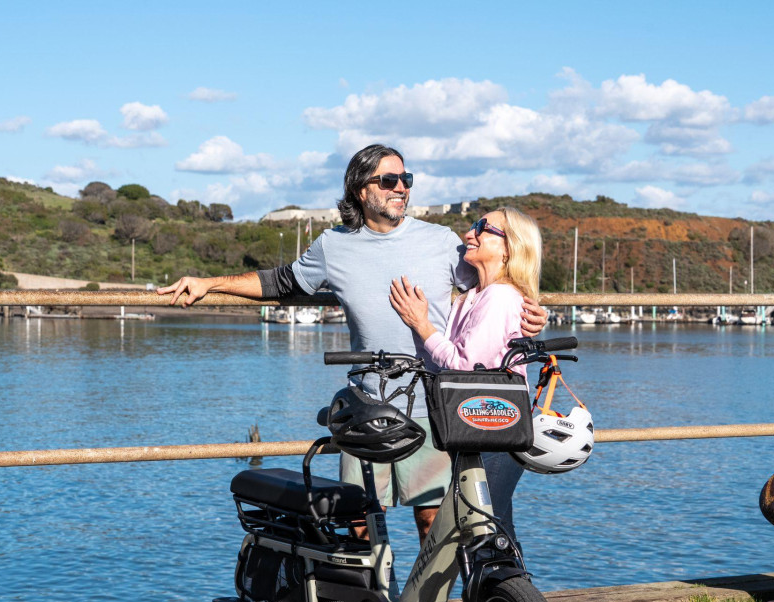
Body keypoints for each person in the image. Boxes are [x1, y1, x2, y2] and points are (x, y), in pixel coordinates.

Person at [156, 144, 547, 543]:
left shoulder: (443, 242)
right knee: (361, 523)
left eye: (406, 180)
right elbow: (282, 282)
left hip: (433, 405)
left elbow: (498, 283)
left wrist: (534, 315)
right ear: (362, 190)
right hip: (367, 406)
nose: (401, 189)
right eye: (389, 180)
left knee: (435, 523)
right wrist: (209, 283)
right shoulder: (333, 246)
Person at [388, 206, 541, 535]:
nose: (469, 234)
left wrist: (421, 325)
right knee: (493, 529)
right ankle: (504, 588)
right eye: (474, 225)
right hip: (480, 425)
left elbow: (466, 368)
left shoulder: (500, 297)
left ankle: (509, 588)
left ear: (508, 248)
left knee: (485, 531)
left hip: (493, 428)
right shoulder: (473, 296)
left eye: (483, 228)